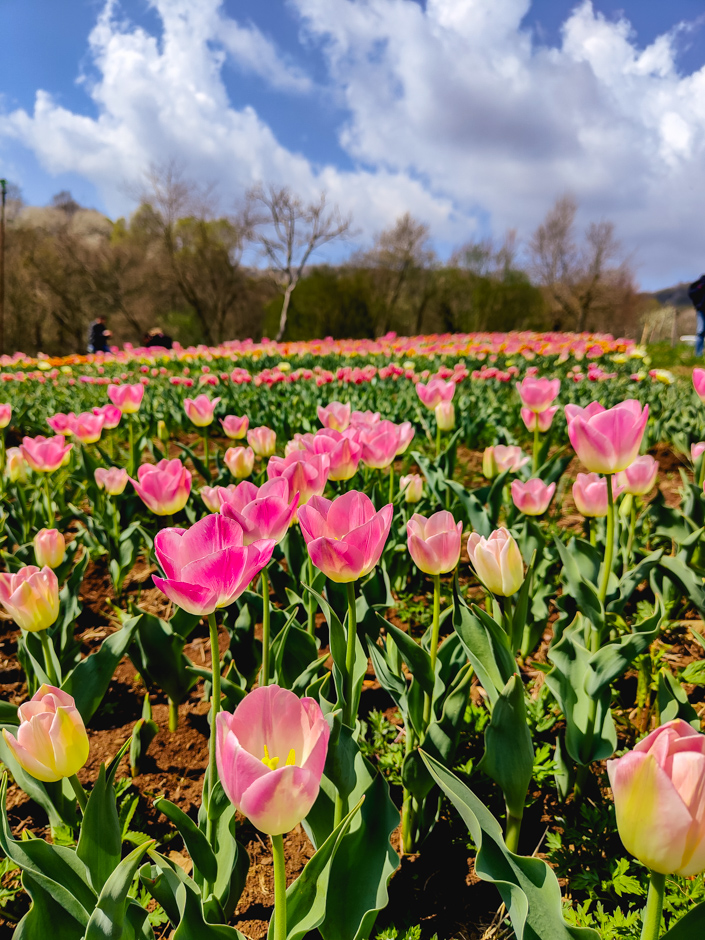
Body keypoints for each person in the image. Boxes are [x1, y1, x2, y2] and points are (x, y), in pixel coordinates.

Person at [688, 275, 705, 357]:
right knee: (700, 331)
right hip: (701, 310)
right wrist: (701, 286)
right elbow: (692, 293)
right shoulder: (700, 282)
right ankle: (698, 355)